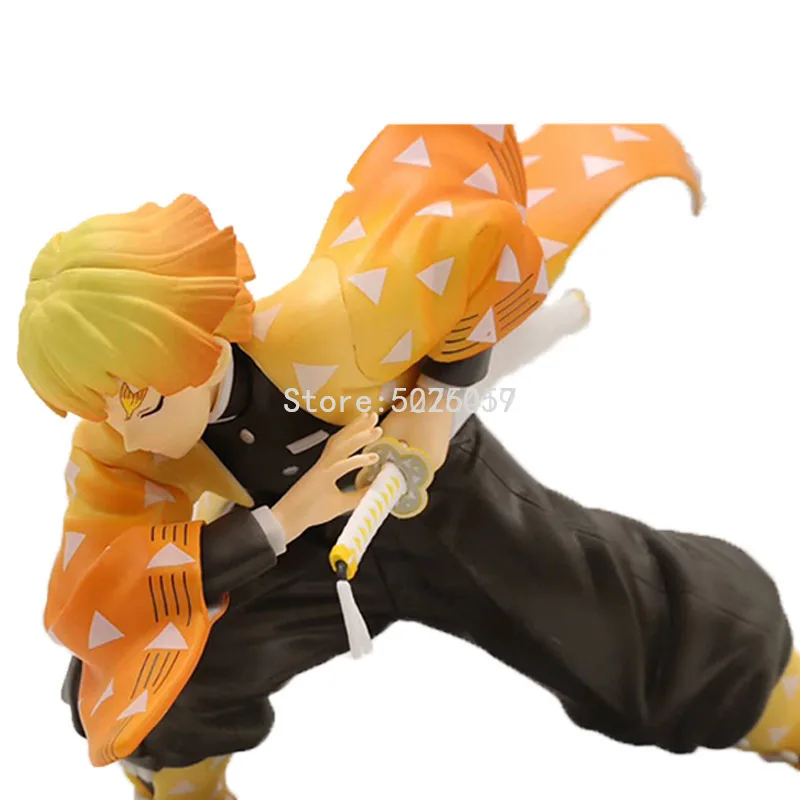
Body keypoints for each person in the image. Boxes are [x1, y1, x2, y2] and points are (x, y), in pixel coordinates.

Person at [16, 124, 798, 799]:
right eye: (97, 407)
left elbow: (477, 254)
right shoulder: (119, 446)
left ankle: (769, 699)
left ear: (198, 340)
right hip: (299, 560)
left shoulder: (335, 320)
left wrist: (428, 410)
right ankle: (186, 782)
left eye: (140, 402)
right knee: (176, 673)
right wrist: (286, 520)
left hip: (440, 498)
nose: (124, 432)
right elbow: (100, 587)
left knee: (589, 605)